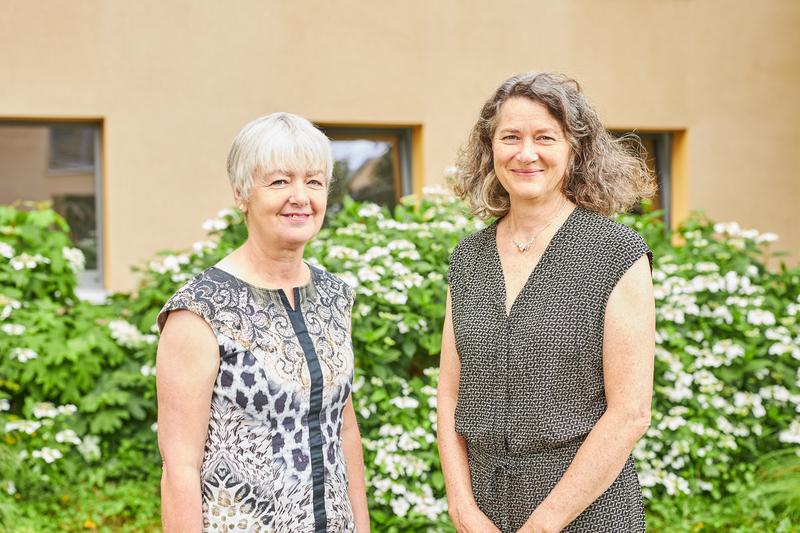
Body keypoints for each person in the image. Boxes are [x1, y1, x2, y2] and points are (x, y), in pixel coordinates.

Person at [437, 72, 657, 533]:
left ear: (575, 149)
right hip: (484, 512)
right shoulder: (468, 258)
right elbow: (450, 395)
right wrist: (462, 509)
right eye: (510, 137)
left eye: (545, 137)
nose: (526, 153)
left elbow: (630, 413)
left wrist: (543, 525)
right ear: (489, 148)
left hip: (587, 512)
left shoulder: (616, 253)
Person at [156, 112, 370, 532]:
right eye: (279, 181)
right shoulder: (200, 311)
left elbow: (343, 427)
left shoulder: (334, 296)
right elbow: (179, 468)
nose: (300, 197)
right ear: (241, 194)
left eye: (314, 181)